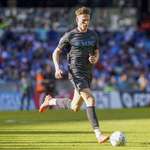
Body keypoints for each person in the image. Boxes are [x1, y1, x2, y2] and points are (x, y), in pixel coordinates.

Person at [39, 7, 109, 144]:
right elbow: (56, 52)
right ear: (77, 20)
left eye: (88, 20)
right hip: (76, 73)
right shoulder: (69, 36)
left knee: (75, 107)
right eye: (83, 20)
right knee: (91, 99)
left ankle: (50, 101)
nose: (86, 23)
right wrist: (57, 68)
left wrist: (95, 59)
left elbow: (97, 53)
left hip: (88, 73)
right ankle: (98, 134)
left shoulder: (94, 35)